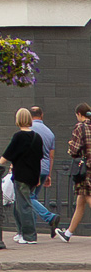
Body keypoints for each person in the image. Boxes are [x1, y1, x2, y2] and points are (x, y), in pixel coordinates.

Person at [0, 107, 45, 244]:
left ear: (18, 120)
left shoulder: (18, 137)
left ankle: (29, 236)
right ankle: (21, 232)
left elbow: (7, 154)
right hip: (32, 176)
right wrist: (37, 178)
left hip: (21, 176)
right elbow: (39, 158)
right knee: (19, 205)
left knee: (24, 206)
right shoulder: (37, 137)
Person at [28, 106, 70, 240]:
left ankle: (49, 217)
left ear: (30, 116)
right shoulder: (49, 132)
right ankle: (31, 231)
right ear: (42, 115)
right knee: (32, 197)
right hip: (44, 168)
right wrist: (49, 175)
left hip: (32, 168)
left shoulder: (28, 130)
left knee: (26, 197)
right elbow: (51, 156)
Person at [65, 103, 91, 241]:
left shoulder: (80, 127)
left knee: (88, 197)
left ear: (79, 114)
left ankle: (68, 233)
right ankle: (68, 233)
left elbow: (74, 151)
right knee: (81, 201)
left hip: (86, 168)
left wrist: (70, 146)